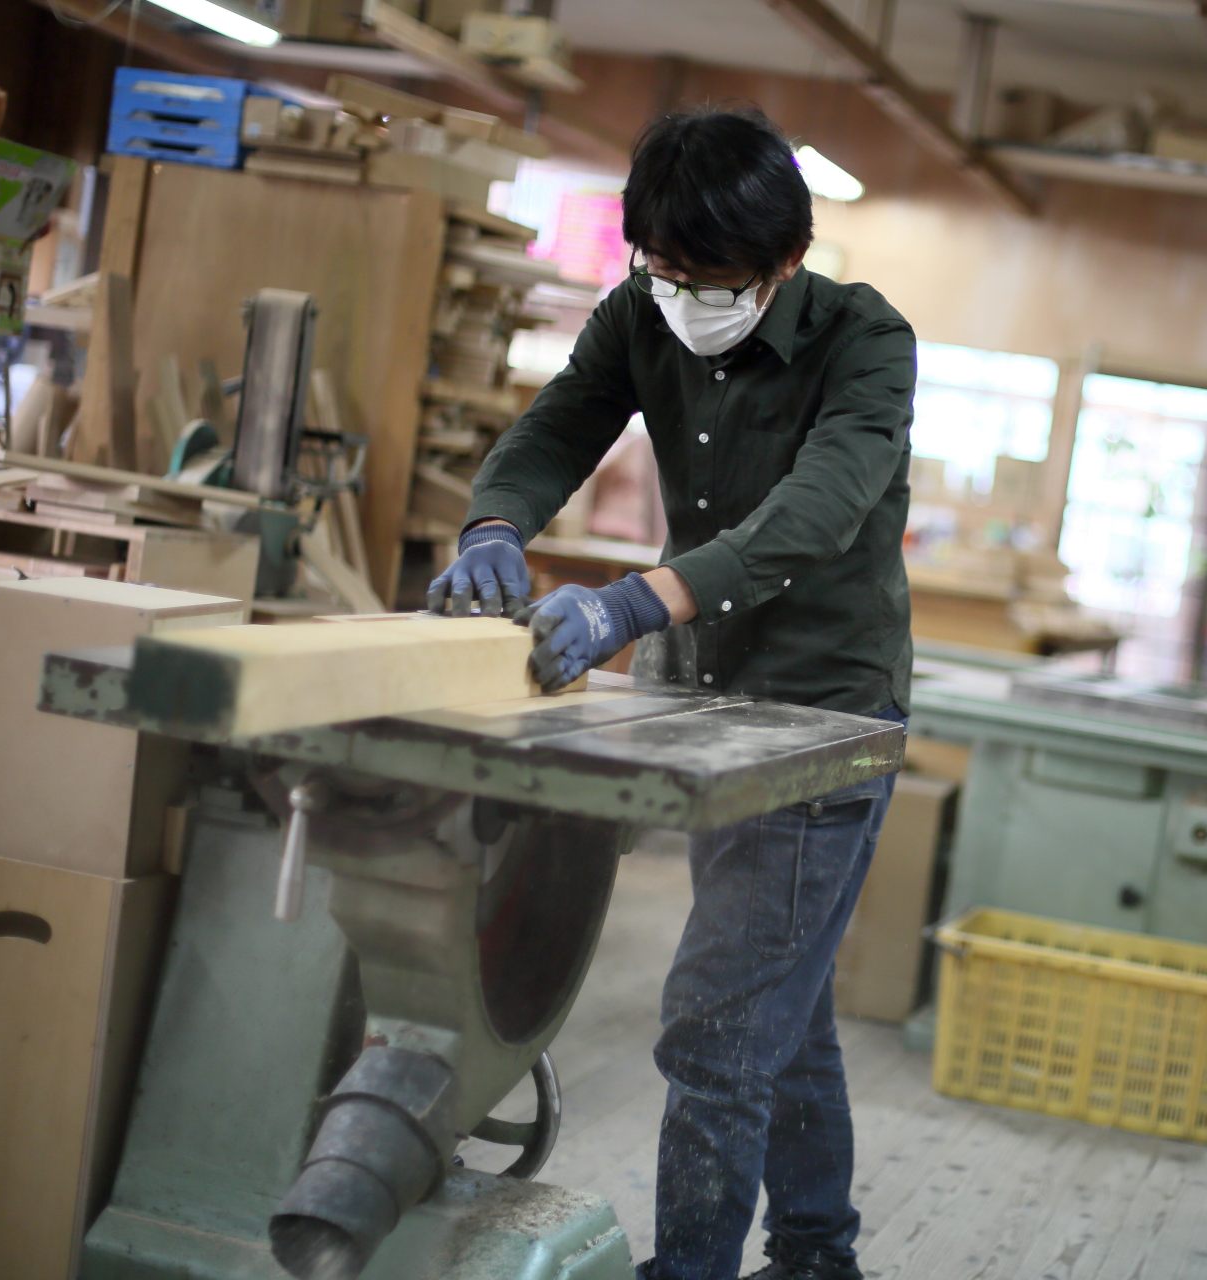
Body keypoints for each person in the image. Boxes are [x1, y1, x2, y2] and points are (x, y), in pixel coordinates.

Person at [428, 106, 916, 1280]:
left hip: (822, 719)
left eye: (711, 277)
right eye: (664, 268)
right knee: (775, 1013)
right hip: (708, 699)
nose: (683, 293)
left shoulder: (864, 340)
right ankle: (817, 1254)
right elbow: (556, 428)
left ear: (785, 261)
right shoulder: (640, 315)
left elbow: (817, 511)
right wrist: (497, 520)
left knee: (716, 1021)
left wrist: (635, 602)